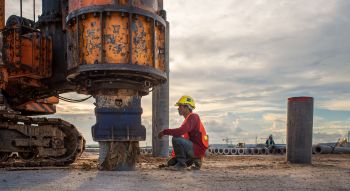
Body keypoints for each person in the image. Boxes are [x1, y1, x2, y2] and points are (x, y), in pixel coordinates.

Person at [158, 95, 209, 170]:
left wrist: (164, 132)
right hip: (195, 150)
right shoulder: (189, 119)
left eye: (180, 106)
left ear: (186, 107)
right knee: (172, 162)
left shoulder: (194, 116)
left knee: (176, 138)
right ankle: (195, 161)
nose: (178, 108)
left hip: (197, 150)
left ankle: (182, 165)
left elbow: (180, 131)